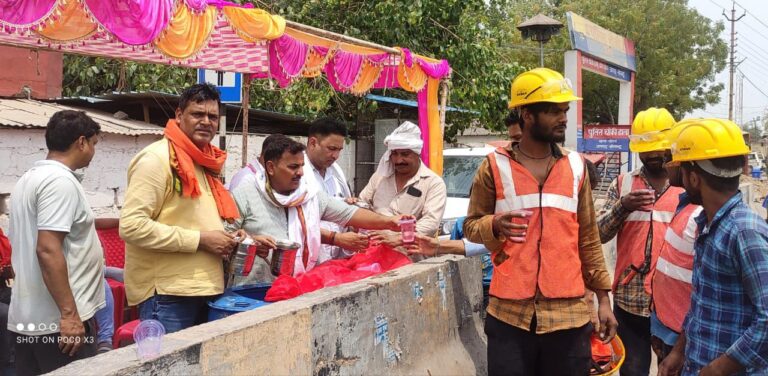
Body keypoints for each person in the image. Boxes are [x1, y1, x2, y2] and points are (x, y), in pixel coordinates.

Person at [463, 67, 617, 376]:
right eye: (553, 111)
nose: (563, 118)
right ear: (527, 115)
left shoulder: (576, 167)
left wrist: (603, 299)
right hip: (510, 317)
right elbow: (471, 226)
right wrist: (495, 225)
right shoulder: (493, 167)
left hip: (568, 317)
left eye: (565, 110)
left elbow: (588, 238)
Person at [120, 84, 244, 334]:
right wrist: (200, 240)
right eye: (197, 114)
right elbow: (131, 227)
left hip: (204, 289)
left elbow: (194, 220)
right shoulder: (156, 159)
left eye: (212, 117)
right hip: (168, 295)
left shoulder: (203, 160)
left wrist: (232, 238)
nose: (206, 122)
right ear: (179, 115)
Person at [658, 119, 768, 376]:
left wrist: (717, 369)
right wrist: (679, 352)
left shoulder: (744, 232)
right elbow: (701, 302)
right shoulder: (708, 225)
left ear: (693, 178)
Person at [227, 134, 412, 278]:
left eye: (301, 166)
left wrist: (389, 222)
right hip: (251, 293)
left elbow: (349, 213)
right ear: (270, 168)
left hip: (296, 288)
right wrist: (251, 241)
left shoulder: (307, 195)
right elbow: (224, 238)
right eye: (293, 167)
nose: (300, 173)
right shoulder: (244, 194)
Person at [8, 110, 105, 375]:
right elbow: (48, 249)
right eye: (94, 143)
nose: (93, 151)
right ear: (81, 142)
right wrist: (69, 316)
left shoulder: (29, 179)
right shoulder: (59, 182)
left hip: (32, 320)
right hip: (58, 326)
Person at [597, 107, 684, 376]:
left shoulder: (687, 186)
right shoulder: (623, 184)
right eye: (647, 151)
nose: (653, 156)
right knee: (633, 370)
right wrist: (623, 207)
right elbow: (599, 233)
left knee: (672, 369)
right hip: (629, 301)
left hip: (673, 304)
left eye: (659, 150)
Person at [647, 120, 703, 365]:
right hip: (666, 328)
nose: (664, 165)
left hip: (685, 340)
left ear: (691, 173)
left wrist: (680, 349)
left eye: (669, 159)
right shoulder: (685, 206)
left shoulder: (701, 218)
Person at [357, 121, 447, 252]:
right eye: (394, 154)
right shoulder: (380, 177)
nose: (399, 160)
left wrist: (399, 237)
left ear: (417, 153)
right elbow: (362, 204)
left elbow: (431, 222)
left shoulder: (433, 183)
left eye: (405, 154)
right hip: (373, 253)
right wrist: (353, 205)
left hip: (409, 257)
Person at [303, 118, 367, 262]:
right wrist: (336, 238)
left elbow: (342, 210)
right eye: (331, 149)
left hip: (337, 259)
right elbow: (298, 222)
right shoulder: (298, 172)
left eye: (339, 150)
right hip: (310, 258)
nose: (336, 156)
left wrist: (348, 204)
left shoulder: (335, 171)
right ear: (313, 143)